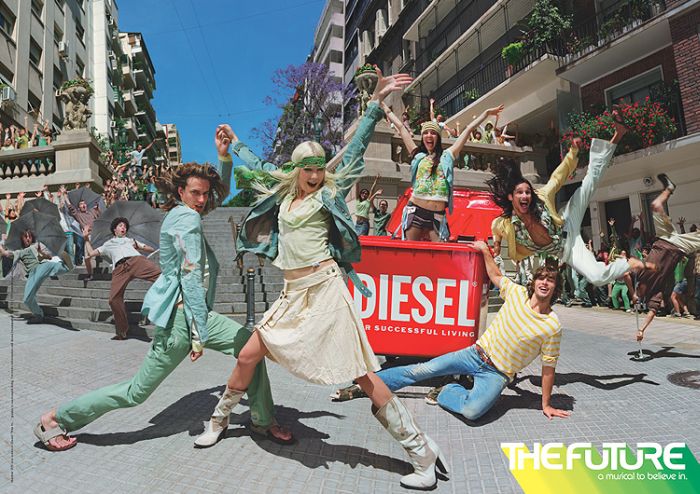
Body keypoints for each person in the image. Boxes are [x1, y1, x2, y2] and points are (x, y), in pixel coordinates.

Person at [198, 71, 448, 490]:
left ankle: (421, 451)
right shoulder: (284, 195)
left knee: (362, 376)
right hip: (292, 295)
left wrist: (374, 105)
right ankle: (218, 422)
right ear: (296, 170)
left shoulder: (328, 193)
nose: (315, 175)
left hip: (326, 290)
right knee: (247, 354)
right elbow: (258, 166)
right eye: (308, 170)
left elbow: (354, 152)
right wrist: (234, 143)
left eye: (318, 168)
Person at [34, 161, 292, 452]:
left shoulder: (185, 213)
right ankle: (54, 419)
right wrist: (198, 333)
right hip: (182, 321)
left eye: (205, 193)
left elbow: (215, 198)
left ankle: (262, 419)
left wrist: (225, 160)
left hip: (196, 314)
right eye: (195, 193)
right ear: (181, 192)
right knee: (136, 392)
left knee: (250, 349)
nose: (202, 199)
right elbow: (190, 275)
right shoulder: (186, 219)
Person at [334, 240, 570, 424]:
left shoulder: (552, 326)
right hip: (475, 354)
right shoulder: (517, 293)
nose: (544, 283)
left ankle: (446, 391)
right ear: (534, 282)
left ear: (555, 288)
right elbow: (496, 275)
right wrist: (484, 250)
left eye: (550, 281)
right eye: (541, 278)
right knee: (420, 370)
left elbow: (548, 369)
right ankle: (365, 385)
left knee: (472, 412)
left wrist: (545, 404)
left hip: (497, 374)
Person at [488, 115, 653, 288]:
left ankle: (617, 135)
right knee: (597, 277)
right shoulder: (506, 224)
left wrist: (573, 152)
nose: (525, 196)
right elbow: (495, 227)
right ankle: (628, 264)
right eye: (520, 193)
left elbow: (558, 177)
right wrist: (497, 244)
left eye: (528, 192)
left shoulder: (541, 196)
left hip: (567, 222)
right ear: (511, 197)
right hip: (567, 248)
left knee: (589, 184)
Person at [384, 100, 503, 241]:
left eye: (433, 133)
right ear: (422, 137)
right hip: (415, 211)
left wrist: (486, 113)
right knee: (412, 252)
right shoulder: (418, 155)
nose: (429, 135)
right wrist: (383, 106)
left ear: (438, 137)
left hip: (437, 216)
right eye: (425, 133)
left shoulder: (448, 156)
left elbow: (468, 129)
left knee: (440, 252)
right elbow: (401, 127)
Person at [626, 174, 700, 341]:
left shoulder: (638, 275)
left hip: (663, 238)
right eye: (638, 296)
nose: (638, 294)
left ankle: (669, 188)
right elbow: (652, 312)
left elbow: (627, 269)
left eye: (636, 294)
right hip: (677, 248)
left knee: (655, 205)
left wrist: (632, 293)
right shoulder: (654, 293)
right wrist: (642, 330)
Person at [82, 218, 161, 339]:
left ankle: (177, 300)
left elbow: (151, 249)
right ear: (115, 229)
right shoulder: (108, 244)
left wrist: (139, 246)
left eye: (125, 226)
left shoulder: (131, 240)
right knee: (113, 299)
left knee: (161, 277)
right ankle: (122, 331)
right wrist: (86, 239)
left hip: (136, 261)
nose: (123, 228)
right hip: (119, 269)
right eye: (120, 226)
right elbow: (91, 253)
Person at [0, 229, 72, 322]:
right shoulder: (19, 252)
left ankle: (68, 265)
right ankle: (38, 314)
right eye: (25, 236)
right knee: (27, 299)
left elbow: (49, 257)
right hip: (33, 274)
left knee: (53, 266)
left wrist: (41, 253)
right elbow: (5, 253)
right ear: (22, 238)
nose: (28, 238)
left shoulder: (37, 245)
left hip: (43, 266)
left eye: (29, 236)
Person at [61, 186, 100, 279]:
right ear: (79, 207)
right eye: (81, 204)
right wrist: (64, 194)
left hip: (96, 235)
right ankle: (90, 274)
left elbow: (100, 217)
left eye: (84, 203)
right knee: (87, 258)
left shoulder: (92, 211)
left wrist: (97, 209)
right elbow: (70, 206)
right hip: (87, 236)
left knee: (98, 254)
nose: (83, 205)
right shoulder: (78, 215)